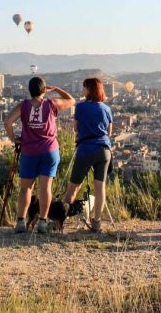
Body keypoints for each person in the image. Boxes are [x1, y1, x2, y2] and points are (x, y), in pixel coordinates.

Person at [4, 77, 75, 233]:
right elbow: (71, 100)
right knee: (46, 187)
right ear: (44, 90)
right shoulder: (52, 104)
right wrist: (55, 88)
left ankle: (21, 222)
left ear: (30, 90)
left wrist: (14, 139)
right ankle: (43, 222)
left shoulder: (23, 106)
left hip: (29, 152)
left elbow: (8, 122)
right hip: (49, 150)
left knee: (26, 188)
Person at [63, 78, 113, 233]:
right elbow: (109, 132)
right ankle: (97, 222)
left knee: (74, 187)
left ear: (89, 90)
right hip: (104, 150)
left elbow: (76, 128)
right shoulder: (106, 109)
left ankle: (60, 220)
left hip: (86, 149)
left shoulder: (81, 107)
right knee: (100, 188)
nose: (82, 90)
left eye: (84, 88)